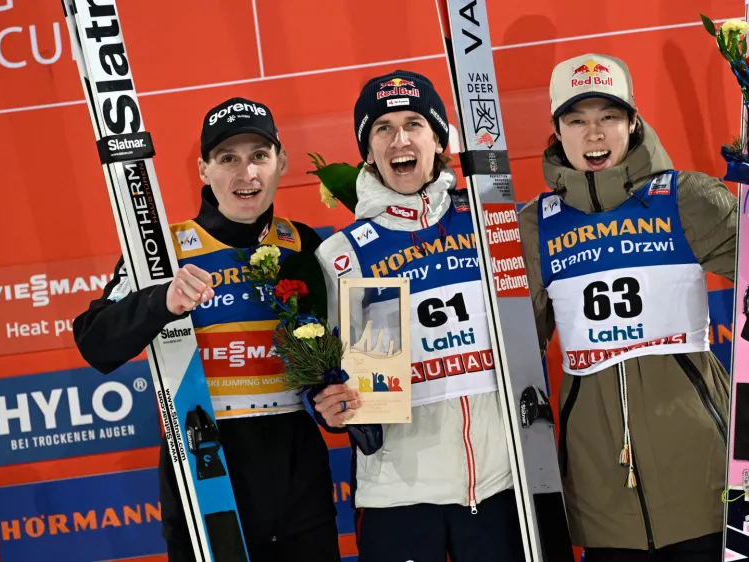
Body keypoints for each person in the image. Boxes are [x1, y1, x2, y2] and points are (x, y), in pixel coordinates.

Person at [517, 54, 749, 562]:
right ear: (556, 132)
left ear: (633, 121)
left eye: (609, 118)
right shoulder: (533, 226)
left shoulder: (685, 198)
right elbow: (516, 352)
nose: (594, 135)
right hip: (600, 493)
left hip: (701, 476)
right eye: (577, 120)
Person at [72, 97, 342, 561]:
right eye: (227, 159)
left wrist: (337, 402)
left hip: (302, 503)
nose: (246, 174)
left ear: (282, 162)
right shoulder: (164, 250)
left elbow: (342, 360)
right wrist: (162, 300)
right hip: (204, 495)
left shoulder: (306, 244)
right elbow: (94, 341)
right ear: (203, 169)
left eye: (259, 155)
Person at [311, 70, 526, 562]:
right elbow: (321, 370)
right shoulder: (342, 255)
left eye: (414, 124)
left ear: (439, 139)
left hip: (500, 485)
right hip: (397, 497)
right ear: (367, 151)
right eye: (382, 128)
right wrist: (324, 400)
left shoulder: (491, 224)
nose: (400, 139)